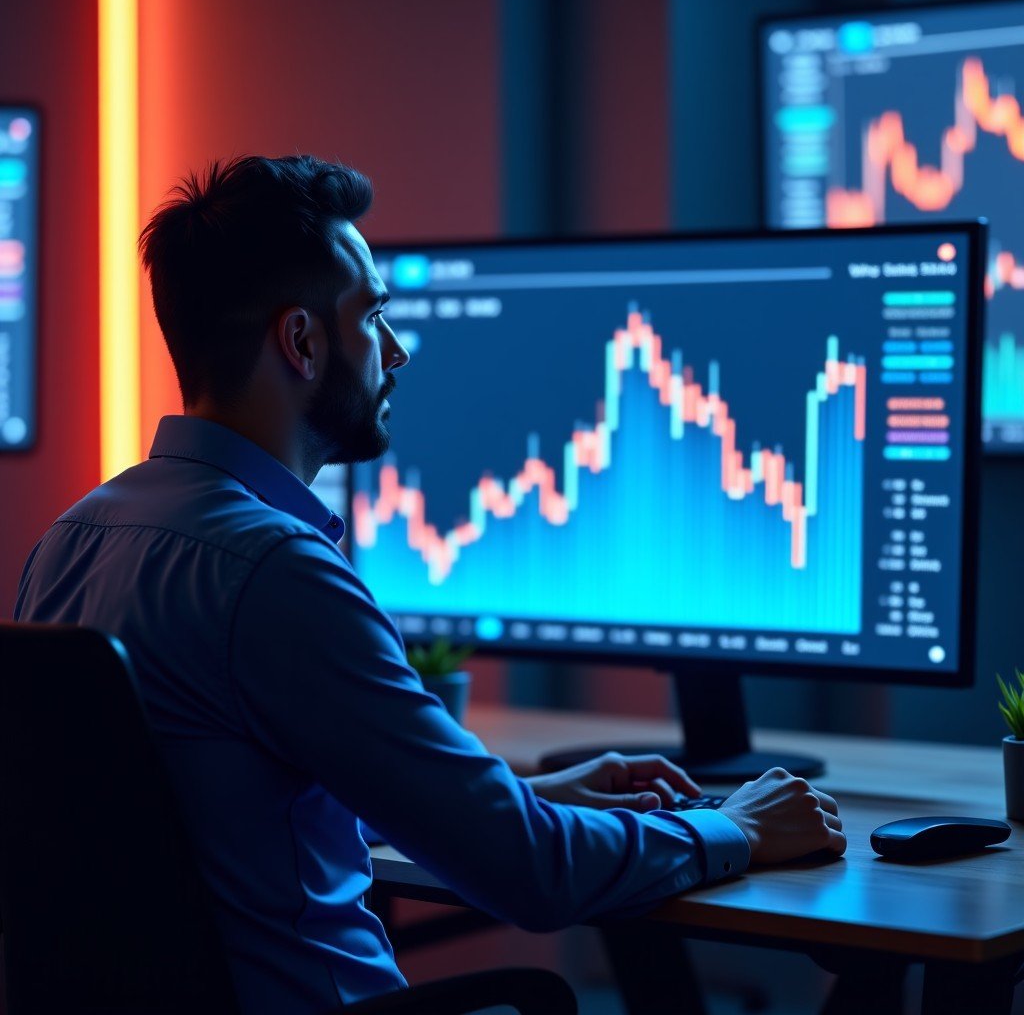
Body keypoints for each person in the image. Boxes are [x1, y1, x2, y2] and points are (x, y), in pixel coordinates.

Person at [15, 155, 846, 1015]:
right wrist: (734, 829)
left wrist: (514, 797)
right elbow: (531, 878)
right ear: (300, 342)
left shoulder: (69, 541)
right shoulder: (278, 575)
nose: (397, 349)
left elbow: (220, 814)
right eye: (373, 314)